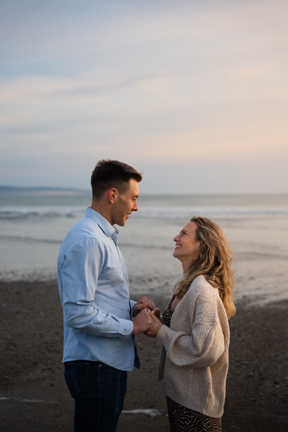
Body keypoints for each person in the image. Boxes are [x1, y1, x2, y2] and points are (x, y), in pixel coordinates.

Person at [57, 160, 158, 432]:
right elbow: (78, 312)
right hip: (95, 365)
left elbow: (99, 298)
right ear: (113, 195)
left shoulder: (102, 237)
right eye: (133, 198)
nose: (136, 207)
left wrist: (131, 307)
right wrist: (132, 326)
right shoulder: (88, 240)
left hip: (103, 362)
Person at [145, 216, 236, 432]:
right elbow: (181, 328)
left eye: (184, 234)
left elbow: (205, 350)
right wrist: (157, 322)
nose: (176, 237)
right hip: (180, 394)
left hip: (197, 405)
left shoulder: (203, 290)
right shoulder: (188, 285)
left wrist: (161, 331)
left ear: (201, 245)